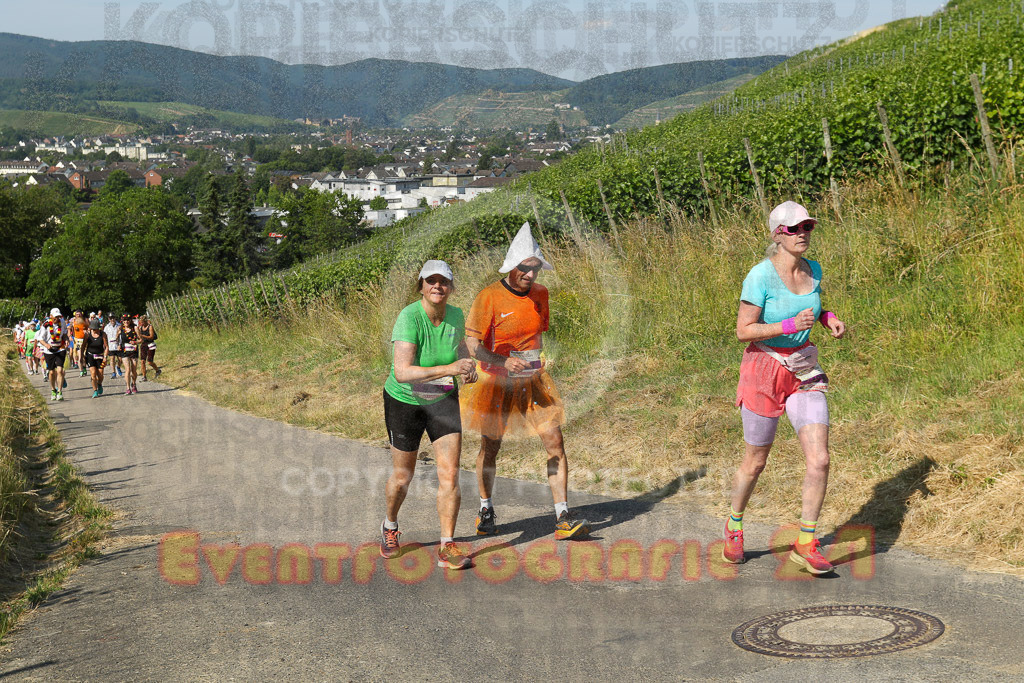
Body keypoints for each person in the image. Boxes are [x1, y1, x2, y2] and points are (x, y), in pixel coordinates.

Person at [724, 201, 846, 575]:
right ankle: (734, 525)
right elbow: (744, 330)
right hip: (764, 368)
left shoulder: (814, 269)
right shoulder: (760, 276)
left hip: (804, 367)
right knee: (756, 462)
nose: (804, 233)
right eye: (795, 229)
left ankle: (806, 542)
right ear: (778, 234)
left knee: (820, 459)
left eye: (808, 226)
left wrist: (827, 318)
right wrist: (789, 323)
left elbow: (812, 306)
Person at [461, 223, 590, 540]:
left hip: (533, 381)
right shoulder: (488, 297)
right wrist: (503, 361)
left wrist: (540, 360)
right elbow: (473, 346)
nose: (530, 276)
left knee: (555, 443)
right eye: (524, 269)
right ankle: (485, 508)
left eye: (534, 269)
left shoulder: (541, 295)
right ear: (511, 266)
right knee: (491, 448)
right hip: (496, 383)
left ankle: (562, 517)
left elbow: (536, 337)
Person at [380, 260, 477, 570]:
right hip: (405, 400)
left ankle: (447, 545)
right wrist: (449, 369)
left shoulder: (457, 315)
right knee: (402, 475)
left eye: (444, 281)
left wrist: (467, 366)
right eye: (431, 280)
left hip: (443, 399)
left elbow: (460, 348)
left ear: (451, 287)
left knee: (450, 473)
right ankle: (390, 525)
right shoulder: (409, 317)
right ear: (420, 285)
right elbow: (403, 371)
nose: (438, 286)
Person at [38, 308, 69, 401]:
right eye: (55, 317)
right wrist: (46, 345)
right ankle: (53, 389)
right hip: (49, 350)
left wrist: (66, 340)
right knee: (51, 372)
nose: (57, 318)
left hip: (60, 348)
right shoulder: (46, 324)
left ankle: (60, 391)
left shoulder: (62, 322)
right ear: (51, 316)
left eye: (58, 316)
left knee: (60, 370)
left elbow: (64, 333)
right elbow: (40, 338)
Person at [82, 318, 109, 398]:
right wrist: (82, 357)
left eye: (96, 329)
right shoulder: (87, 334)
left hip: (100, 355)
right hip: (90, 355)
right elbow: (83, 346)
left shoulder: (103, 334)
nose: (95, 330)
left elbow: (106, 347)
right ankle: (95, 390)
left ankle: (99, 383)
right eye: (93, 329)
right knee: (93, 373)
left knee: (100, 374)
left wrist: (105, 357)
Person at [119, 315, 140, 395]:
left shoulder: (135, 328)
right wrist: (118, 344)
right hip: (125, 351)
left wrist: (135, 342)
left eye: (128, 320)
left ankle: (134, 384)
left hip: (133, 351)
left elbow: (141, 339)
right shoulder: (120, 329)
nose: (126, 322)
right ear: (122, 321)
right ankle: (128, 388)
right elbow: (117, 338)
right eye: (124, 320)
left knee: (134, 370)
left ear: (130, 320)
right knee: (127, 369)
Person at [137, 315, 161, 381]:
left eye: (142, 322)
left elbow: (151, 337)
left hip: (150, 344)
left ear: (145, 321)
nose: (141, 323)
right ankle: (144, 377)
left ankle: (158, 370)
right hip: (143, 345)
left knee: (150, 362)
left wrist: (143, 336)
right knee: (142, 361)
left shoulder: (150, 327)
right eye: (140, 322)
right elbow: (139, 337)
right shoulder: (140, 327)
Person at [103, 314, 123, 379]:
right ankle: (113, 372)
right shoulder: (107, 327)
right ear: (109, 319)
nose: (112, 320)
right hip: (110, 345)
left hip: (117, 344)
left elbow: (121, 336)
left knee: (120, 359)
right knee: (112, 359)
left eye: (113, 318)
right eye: (110, 318)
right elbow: (105, 336)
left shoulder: (119, 325)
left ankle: (118, 367)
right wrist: (105, 345)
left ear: (115, 318)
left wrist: (120, 344)